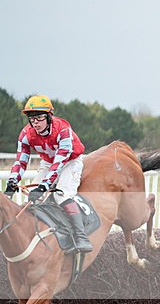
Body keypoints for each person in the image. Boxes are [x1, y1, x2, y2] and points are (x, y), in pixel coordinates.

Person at [4, 94, 93, 252]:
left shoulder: (63, 130)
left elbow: (59, 163)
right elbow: (20, 161)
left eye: (39, 117)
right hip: (47, 163)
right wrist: (12, 182)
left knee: (61, 195)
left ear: (49, 116)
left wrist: (44, 186)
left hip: (70, 161)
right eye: (32, 118)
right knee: (32, 197)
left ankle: (81, 237)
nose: (35, 122)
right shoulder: (25, 134)